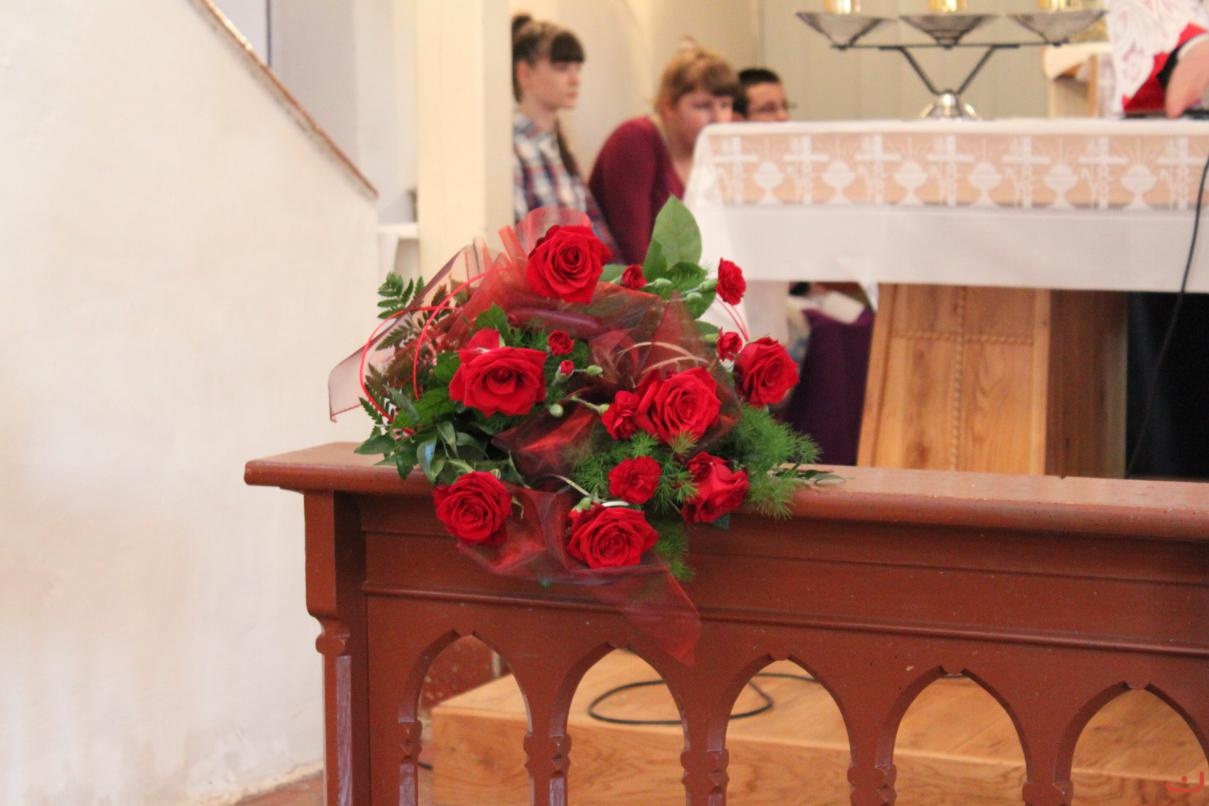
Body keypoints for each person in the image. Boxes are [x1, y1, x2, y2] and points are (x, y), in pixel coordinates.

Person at [589, 46, 739, 264]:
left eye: (725, 105)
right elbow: (635, 256)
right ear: (668, 107)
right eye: (703, 106)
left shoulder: (713, 152)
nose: (718, 118)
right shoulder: (635, 140)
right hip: (626, 282)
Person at [511, 14, 617, 251]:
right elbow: (515, 248)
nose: (575, 79)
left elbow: (595, 228)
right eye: (561, 68)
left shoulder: (559, 145)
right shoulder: (513, 148)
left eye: (577, 68)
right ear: (524, 73)